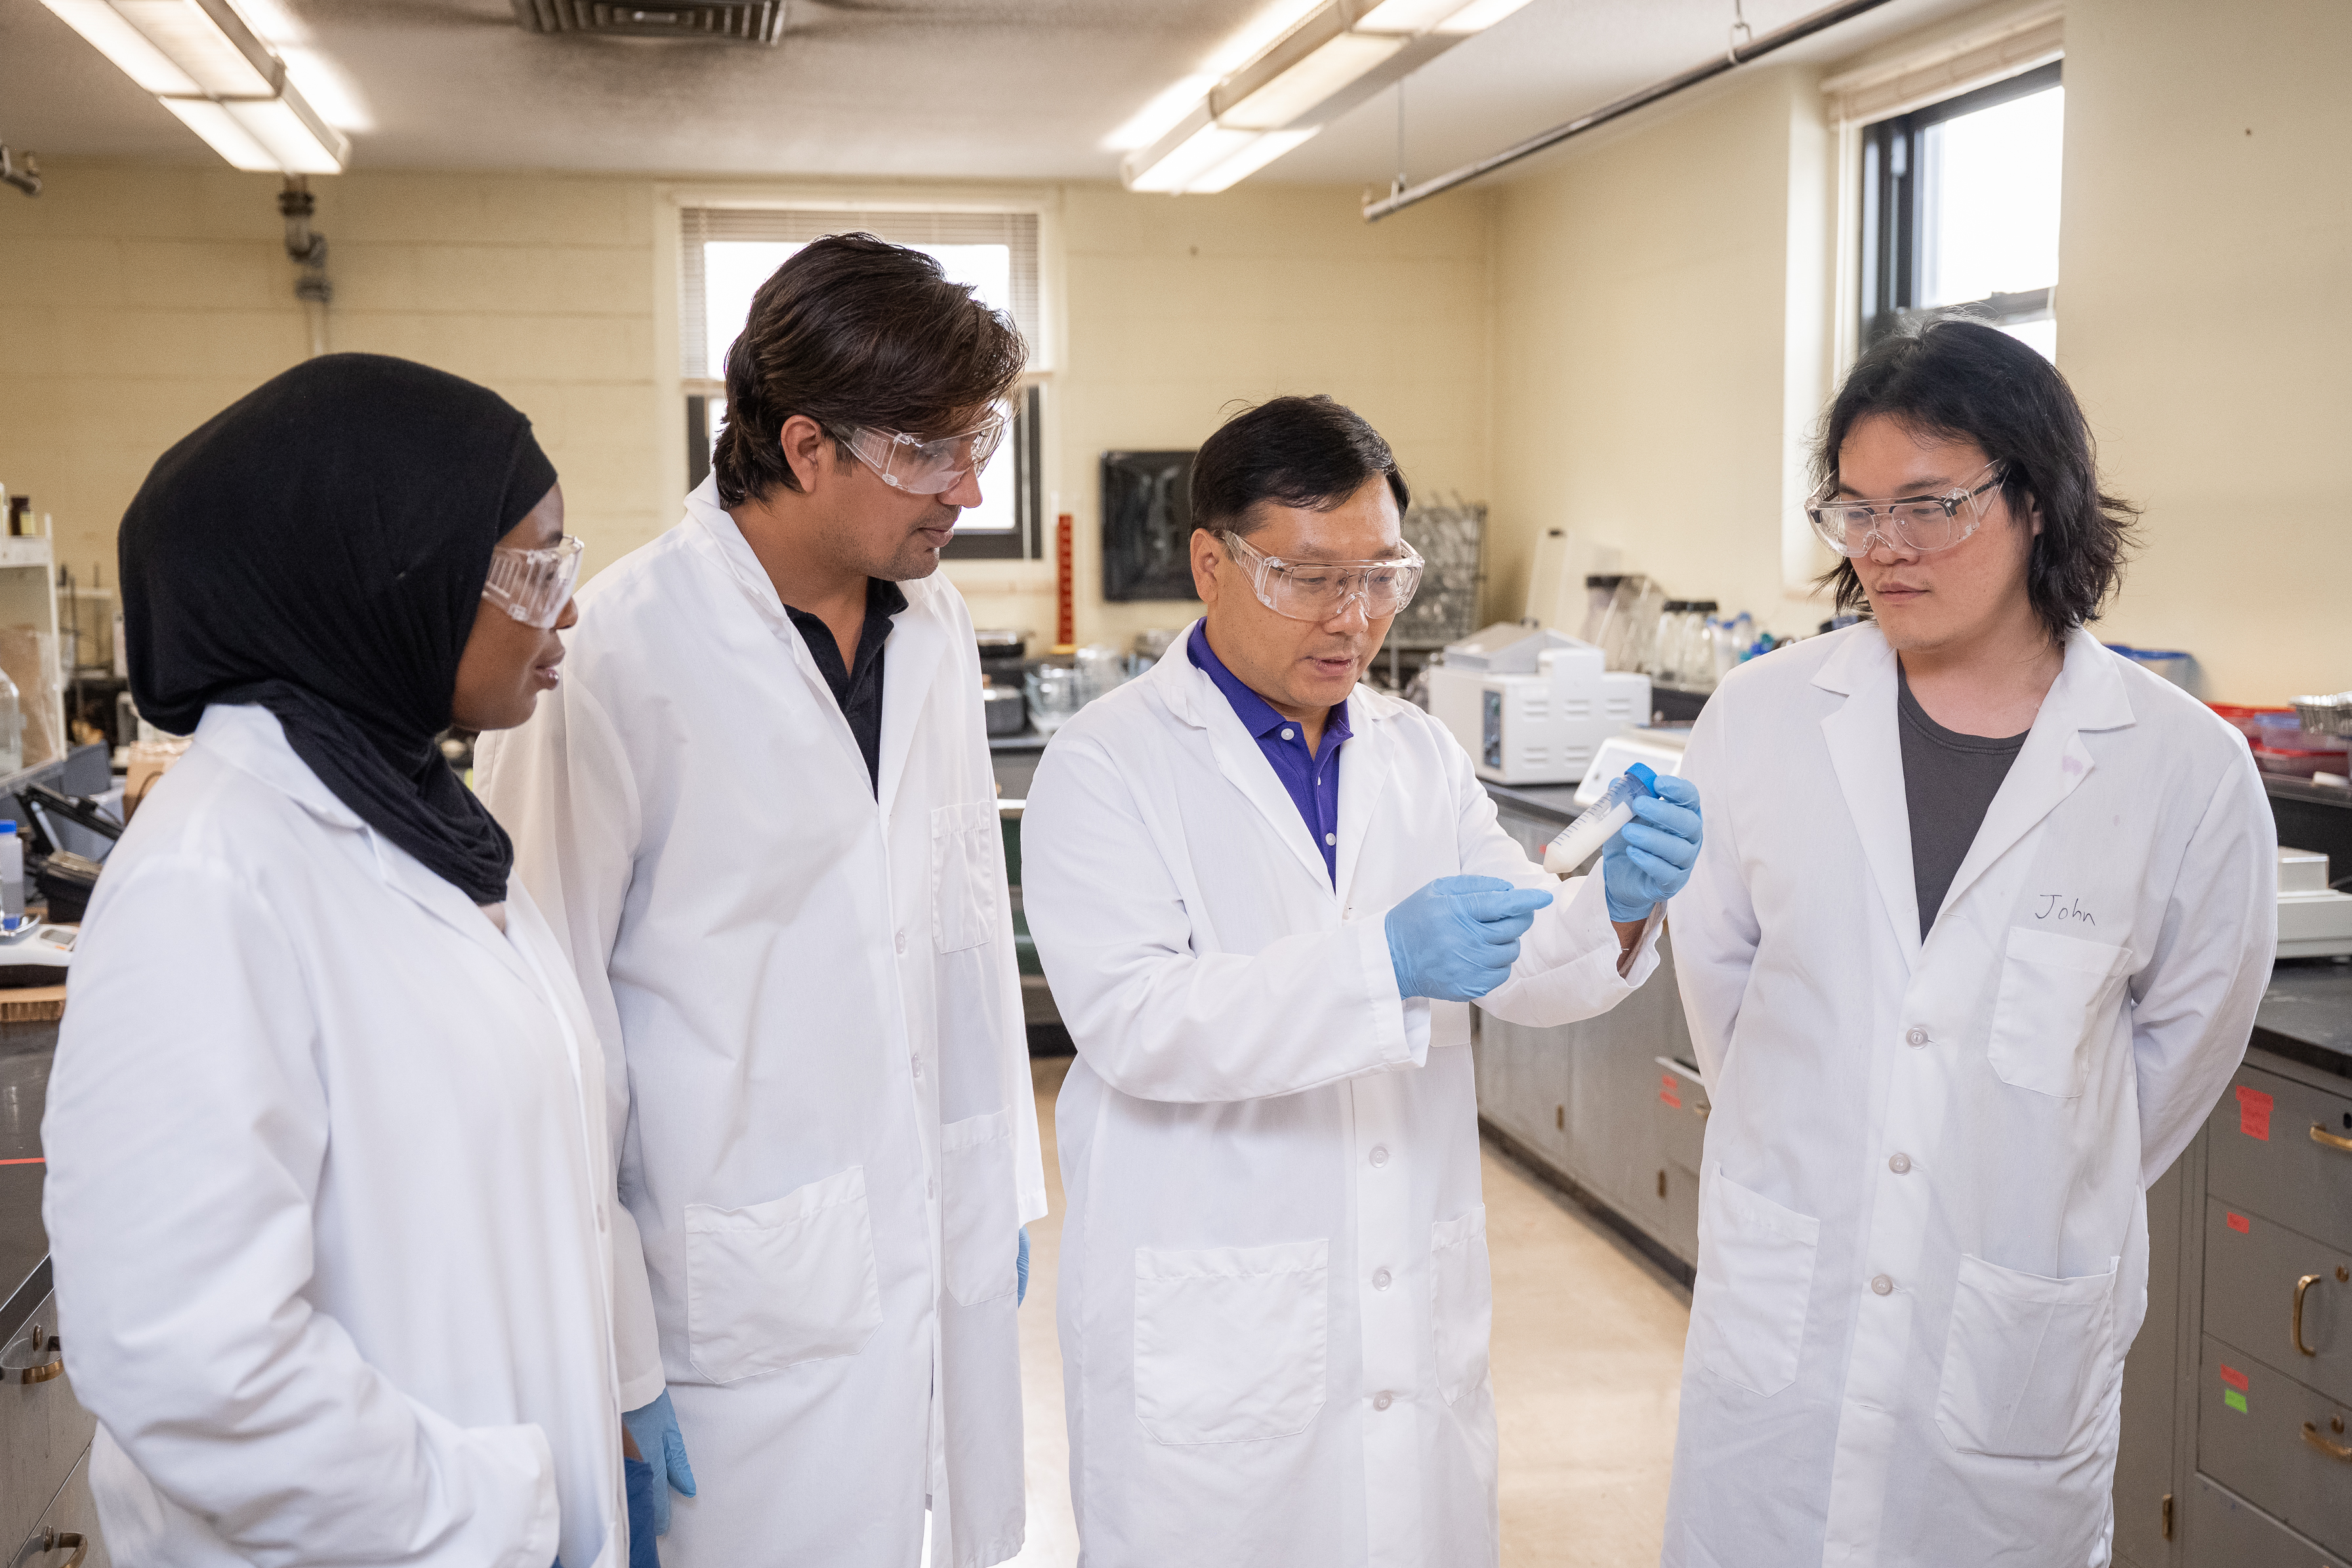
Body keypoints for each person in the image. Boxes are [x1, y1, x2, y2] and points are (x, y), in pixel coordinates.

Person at [1020, 395, 1704, 1565]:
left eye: (1381, 575)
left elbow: (1525, 952)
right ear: (1211, 562)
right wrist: (1379, 961)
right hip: (1211, 1318)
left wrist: (1619, 899)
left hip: (1402, 1298)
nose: (1354, 617)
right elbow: (1136, 1022)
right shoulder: (1107, 764)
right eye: (1309, 577)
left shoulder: (1414, 750)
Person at [1661, 318, 2276, 1566]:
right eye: (1855, 509)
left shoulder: (2180, 769)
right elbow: (1719, 977)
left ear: (2037, 501)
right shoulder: (1762, 720)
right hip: (1787, 1308)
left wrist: (2023, 1158)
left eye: (1930, 505)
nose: (1885, 547)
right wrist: (1844, 1114)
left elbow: (2177, 1052)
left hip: (2007, 1334)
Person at [474, 234, 1045, 1567]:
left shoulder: (933, 620)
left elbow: (959, 923)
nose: (965, 488)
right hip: (723, 1290)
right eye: (927, 452)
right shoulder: (613, 655)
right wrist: (606, 1341)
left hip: (930, 1233)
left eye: (983, 441)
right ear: (803, 446)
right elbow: (547, 1025)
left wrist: (999, 1183)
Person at [45, 354, 655, 1568]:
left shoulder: (423, 819)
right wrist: (492, 1510)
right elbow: (188, 1355)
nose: (566, 608)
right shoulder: (209, 878)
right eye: (536, 566)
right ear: (394, 575)